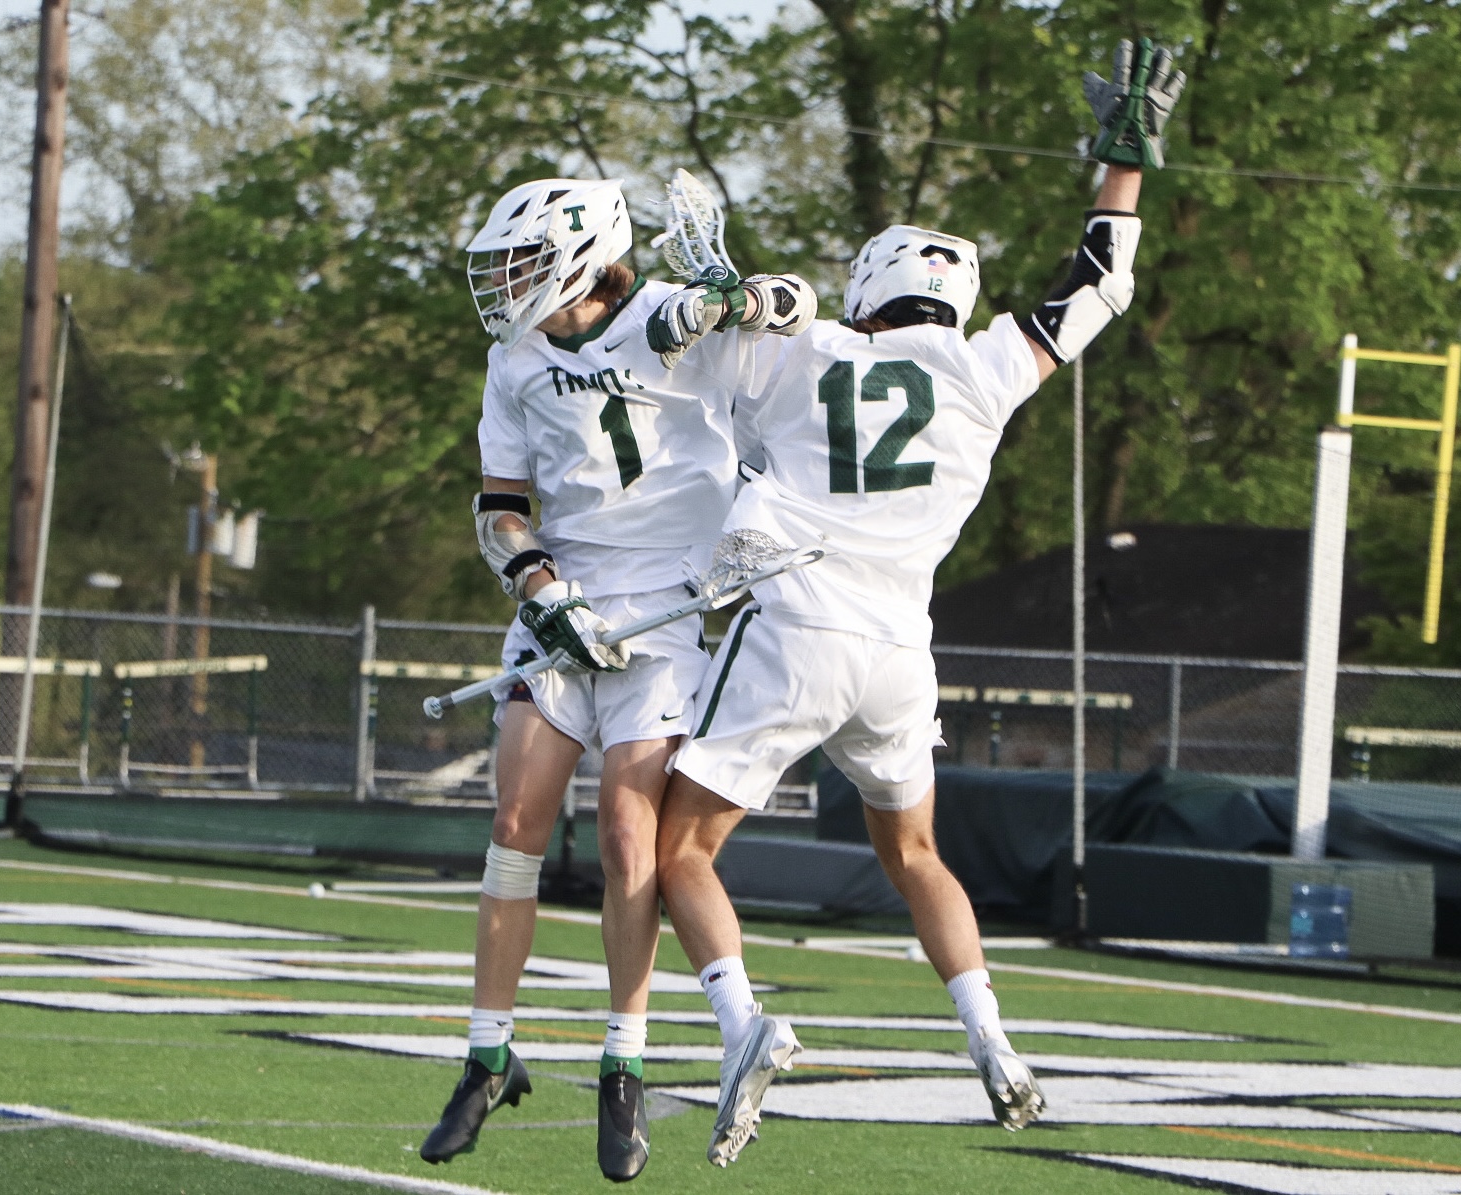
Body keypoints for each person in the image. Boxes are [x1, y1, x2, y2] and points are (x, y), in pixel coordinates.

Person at [647, 40, 1185, 1168]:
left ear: (868, 285)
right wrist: (1121, 164)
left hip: (792, 619)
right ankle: (994, 1044)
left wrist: (725, 295)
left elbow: (682, 362)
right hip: (899, 646)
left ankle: (741, 1023)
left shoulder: (807, 347)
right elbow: (1100, 281)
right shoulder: (989, 369)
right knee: (916, 855)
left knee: (678, 848)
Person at [418, 175, 815, 1182]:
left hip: (666, 612)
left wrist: (730, 298)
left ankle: (622, 1062)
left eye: (520, 261)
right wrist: (543, 590)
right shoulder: (512, 359)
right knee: (515, 823)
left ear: (581, 254)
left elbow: (798, 309)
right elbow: (501, 505)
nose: (505, 281)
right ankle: (486, 1051)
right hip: (566, 605)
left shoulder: (662, 315)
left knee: (630, 833)